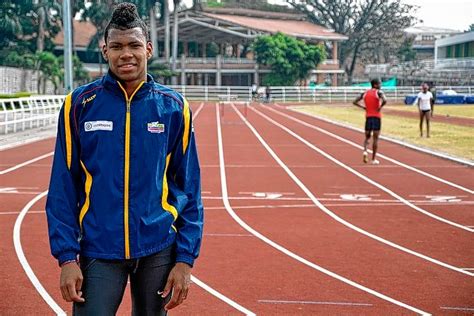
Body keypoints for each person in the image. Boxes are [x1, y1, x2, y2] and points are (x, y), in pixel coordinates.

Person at [45, 3, 203, 315]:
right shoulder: (80, 105)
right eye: (116, 46)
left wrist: (185, 259)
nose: (125, 54)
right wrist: (66, 257)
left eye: (133, 45)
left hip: (158, 246)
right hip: (99, 247)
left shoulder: (173, 108)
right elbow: (63, 185)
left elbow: (189, 188)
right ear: (104, 50)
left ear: (148, 49)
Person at [353, 78, 387, 165]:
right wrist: (380, 107)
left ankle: (365, 150)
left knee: (367, 137)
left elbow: (354, 102)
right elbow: (385, 100)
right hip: (376, 117)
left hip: (368, 117)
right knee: (375, 139)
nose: (381, 85)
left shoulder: (365, 93)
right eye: (380, 84)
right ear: (375, 85)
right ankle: (373, 159)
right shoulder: (379, 92)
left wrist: (363, 107)